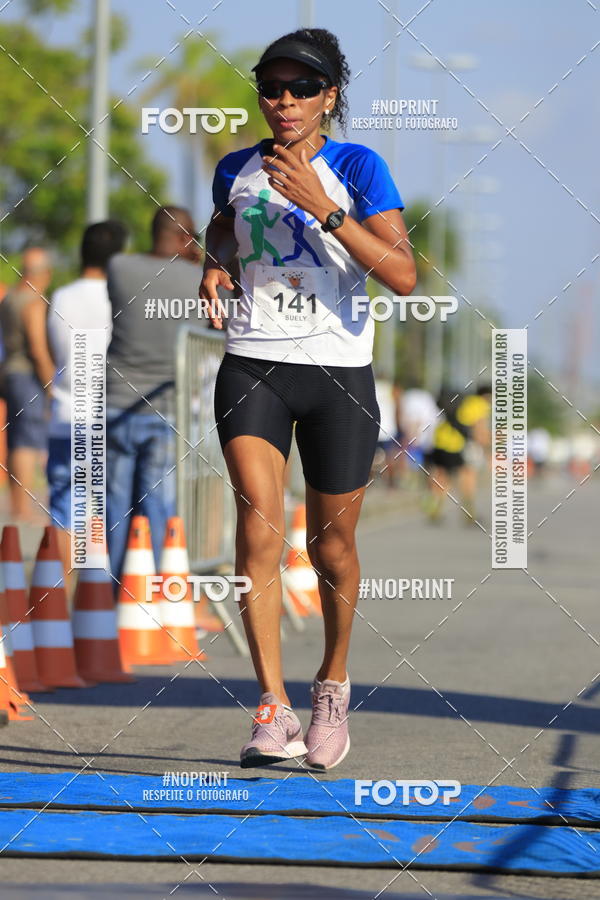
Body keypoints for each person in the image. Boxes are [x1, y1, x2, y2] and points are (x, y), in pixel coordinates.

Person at [200, 28, 416, 769]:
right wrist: (214, 263)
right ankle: (272, 708)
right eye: (272, 87)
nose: (284, 101)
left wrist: (325, 207)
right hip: (252, 364)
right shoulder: (236, 165)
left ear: (331, 96)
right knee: (257, 531)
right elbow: (226, 225)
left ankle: (331, 687)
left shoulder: (358, 165)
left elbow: (404, 275)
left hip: (337, 374)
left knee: (332, 544)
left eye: (302, 88)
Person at [105, 206, 202, 585]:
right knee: (158, 504)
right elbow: (220, 318)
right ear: (185, 238)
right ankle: (159, 596)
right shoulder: (197, 279)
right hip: (167, 409)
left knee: (116, 507)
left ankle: (111, 598)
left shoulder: (119, 268)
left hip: (117, 404)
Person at [46, 220, 128, 586]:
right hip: (110, 413)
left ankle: (60, 601)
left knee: (65, 510)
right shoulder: (121, 294)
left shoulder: (62, 296)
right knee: (113, 506)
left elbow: (54, 351)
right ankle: (103, 597)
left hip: (66, 413)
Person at [0, 248, 54, 522]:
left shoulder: (10, 298)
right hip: (27, 376)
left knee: (16, 438)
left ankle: (17, 504)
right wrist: (50, 383)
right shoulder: (34, 301)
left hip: (9, 373)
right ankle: (22, 508)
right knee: (28, 441)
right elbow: (37, 347)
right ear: (43, 273)